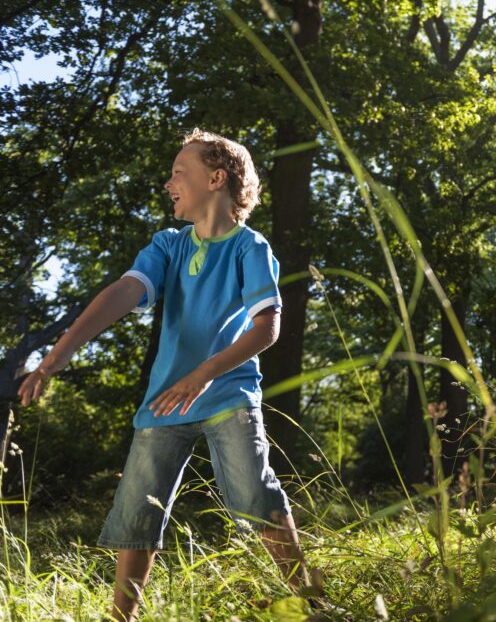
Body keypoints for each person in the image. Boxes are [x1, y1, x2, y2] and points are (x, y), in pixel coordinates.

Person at [18, 129, 313, 621]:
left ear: (216, 178)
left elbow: (267, 328)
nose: (168, 181)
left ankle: (310, 603)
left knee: (253, 495)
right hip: (164, 401)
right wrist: (58, 354)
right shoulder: (168, 246)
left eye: (180, 171)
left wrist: (204, 373)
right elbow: (123, 291)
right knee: (137, 512)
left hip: (227, 394)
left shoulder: (249, 247)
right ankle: (122, 618)